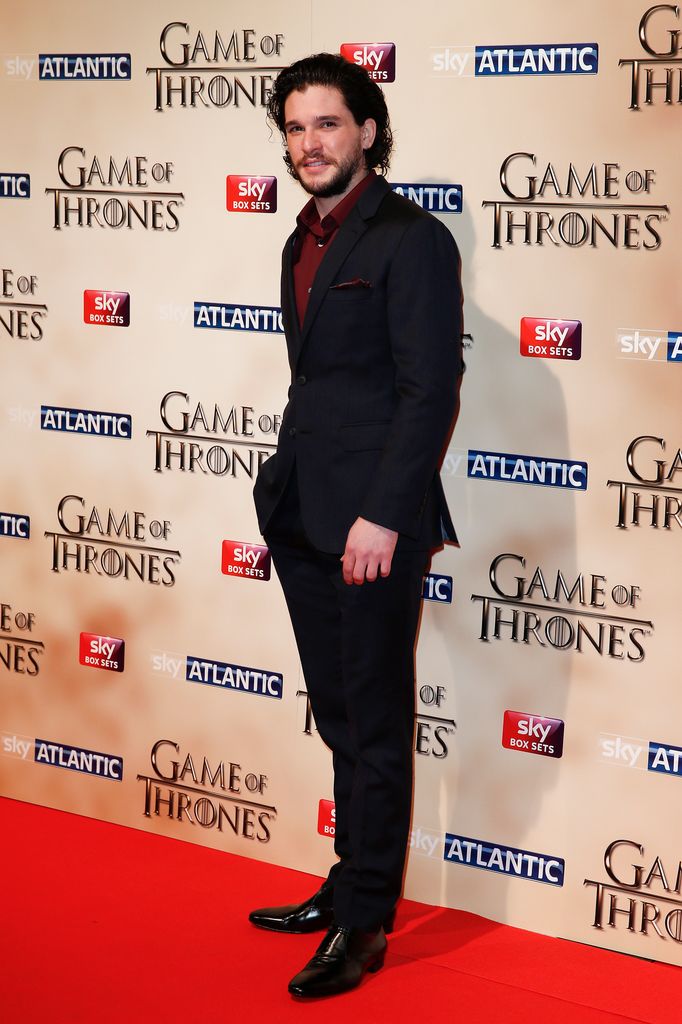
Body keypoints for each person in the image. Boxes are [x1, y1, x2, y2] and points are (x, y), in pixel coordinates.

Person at [251, 52, 463, 999]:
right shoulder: (303, 238)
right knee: (339, 715)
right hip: (302, 509)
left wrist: (384, 515)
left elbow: (430, 392)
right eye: (295, 128)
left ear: (368, 131)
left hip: (374, 525)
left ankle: (367, 923)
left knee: (373, 722)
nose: (309, 144)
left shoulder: (410, 239)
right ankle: (347, 884)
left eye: (326, 125)